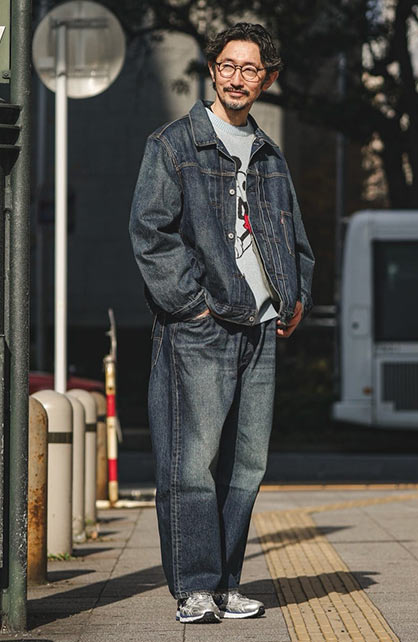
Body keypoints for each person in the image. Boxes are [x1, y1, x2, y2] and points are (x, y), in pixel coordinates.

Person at [129, 22, 314, 624]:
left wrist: (295, 298)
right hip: (199, 328)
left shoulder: (269, 154)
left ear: (267, 79)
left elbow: (295, 237)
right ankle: (195, 586)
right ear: (213, 71)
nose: (237, 78)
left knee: (246, 466)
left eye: (250, 69)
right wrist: (192, 305)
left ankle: (227, 582)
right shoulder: (173, 144)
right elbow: (150, 234)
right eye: (228, 66)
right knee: (191, 463)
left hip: (260, 328)